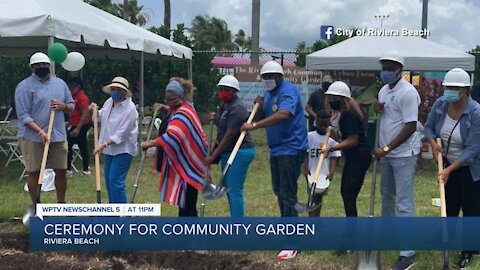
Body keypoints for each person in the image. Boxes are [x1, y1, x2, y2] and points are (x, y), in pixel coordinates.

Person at [241, 60, 308, 260]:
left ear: (280, 76)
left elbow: (284, 114)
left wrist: (255, 126)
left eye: (271, 77)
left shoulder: (289, 91)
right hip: (277, 149)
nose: (268, 80)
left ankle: (292, 242)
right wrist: (258, 107)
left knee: (287, 193)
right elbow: (262, 115)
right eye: (265, 77)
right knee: (279, 190)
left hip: (291, 147)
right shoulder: (269, 94)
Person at [423, 68, 480, 269]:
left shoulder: (475, 112)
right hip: (447, 162)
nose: (450, 91)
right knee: (450, 203)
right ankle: (445, 237)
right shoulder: (440, 105)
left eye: (454, 88)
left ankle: (469, 250)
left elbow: (473, 149)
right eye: (447, 87)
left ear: (465, 89)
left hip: (471, 168)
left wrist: (449, 170)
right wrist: (432, 141)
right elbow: (428, 127)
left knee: (471, 209)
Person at [372, 50, 421, 270]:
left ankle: (408, 252)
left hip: (402, 155)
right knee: (387, 198)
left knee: (403, 203)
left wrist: (388, 147)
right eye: (384, 67)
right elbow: (387, 117)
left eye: (390, 68)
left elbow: (410, 126)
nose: (386, 71)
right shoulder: (383, 90)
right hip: (386, 154)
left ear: (399, 69)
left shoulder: (408, 92)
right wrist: (377, 109)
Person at [141, 78, 209, 216]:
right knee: (184, 201)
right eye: (167, 99)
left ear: (180, 97)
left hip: (189, 163)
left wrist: (150, 143)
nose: (169, 103)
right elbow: (173, 119)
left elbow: (174, 135)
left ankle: (189, 232)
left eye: (172, 99)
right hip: (187, 161)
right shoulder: (182, 108)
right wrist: (166, 109)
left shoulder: (184, 113)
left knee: (188, 202)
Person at [15, 52, 74, 204]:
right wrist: (40, 131)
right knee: (34, 172)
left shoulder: (60, 84)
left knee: (61, 171)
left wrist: (63, 106)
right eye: (38, 65)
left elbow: (71, 106)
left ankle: (61, 205)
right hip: (32, 137)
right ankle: (37, 206)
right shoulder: (24, 87)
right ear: (32, 67)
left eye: (44, 64)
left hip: (58, 135)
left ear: (49, 66)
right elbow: (23, 115)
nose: (42, 67)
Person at [205, 75, 256, 217]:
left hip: (240, 151)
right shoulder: (223, 105)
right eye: (221, 89)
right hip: (228, 151)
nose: (222, 92)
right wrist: (215, 119)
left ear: (234, 91)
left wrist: (213, 156)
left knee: (234, 189)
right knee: (227, 187)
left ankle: (237, 225)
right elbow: (223, 125)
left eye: (226, 90)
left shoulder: (237, 108)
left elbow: (229, 135)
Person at [320, 82, 371, 217]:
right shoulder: (344, 115)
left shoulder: (349, 115)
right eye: (329, 98)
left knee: (349, 194)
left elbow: (352, 141)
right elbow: (346, 138)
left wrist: (331, 148)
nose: (331, 101)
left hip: (359, 157)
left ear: (343, 99)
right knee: (346, 192)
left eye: (333, 98)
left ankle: (351, 231)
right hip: (353, 156)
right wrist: (334, 136)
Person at [92, 77, 138, 203]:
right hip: (109, 150)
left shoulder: (130, 109)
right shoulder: (109, 102)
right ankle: (113, 211)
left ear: (124, 92)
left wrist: (103, 145)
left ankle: (122, 214)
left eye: (118, 89)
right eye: (113, 89)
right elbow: (101, 117)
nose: (115, 92)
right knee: (108, 181)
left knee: (115, 182)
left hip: (123, 149)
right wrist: (95, 112)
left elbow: (121, 134)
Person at [304, 109, 341, 217]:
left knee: (319, 197)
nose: (322, 127)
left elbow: (334, 157)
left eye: (325, 125)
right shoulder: (309, 136)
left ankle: (316, 218)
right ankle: (311, 219)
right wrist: (305, 168)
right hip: (312, 171)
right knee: (311, 195)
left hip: (324, 173)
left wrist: (332, 172)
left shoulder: (331, 140)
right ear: (316, 122)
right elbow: (305, 154)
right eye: (320, 124)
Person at [66, 77, 92, 176]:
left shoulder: (82, 97)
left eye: (72, 87)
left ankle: (68, 170)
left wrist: (77, 128)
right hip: (74, 123)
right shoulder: (73, 97)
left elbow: (85, 112)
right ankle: (85, 169)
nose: (70, 89)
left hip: (82, 124)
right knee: (82, 145)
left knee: (68, 144)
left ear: (78, 87)